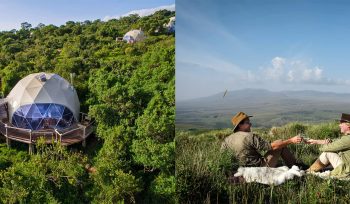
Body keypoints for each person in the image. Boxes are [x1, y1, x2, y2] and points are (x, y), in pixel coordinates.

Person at [222, 112, 305, 168]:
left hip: (240, 169)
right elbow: (272, 147)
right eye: (248, 123)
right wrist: (291, 140)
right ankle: (297, 167)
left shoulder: (227, 140)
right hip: (259, 168)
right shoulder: (250, 136)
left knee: (279, 142)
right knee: (280, 145)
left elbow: (223, 156)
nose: (250, 124)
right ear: (240, 125)